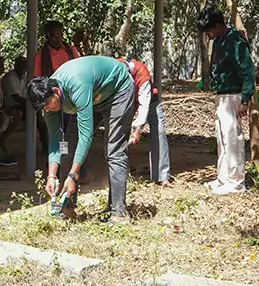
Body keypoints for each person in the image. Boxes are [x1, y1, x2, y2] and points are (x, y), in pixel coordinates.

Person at [26, 56, 135, 222]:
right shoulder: (47, 104)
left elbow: (86, 136)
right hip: (93, 96)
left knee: (114, 151)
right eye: (43, 109)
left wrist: (72, 175)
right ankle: (67, 208)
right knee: (67, 147)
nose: (47, 110)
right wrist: (51, 176)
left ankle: (118, 213)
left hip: (118, 90)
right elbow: (56, 140)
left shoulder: (77, 85)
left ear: (56, 92)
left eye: (48, 106)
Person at [196, 5, 255, 195]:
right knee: (222, 138)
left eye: (209, 30)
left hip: (233, 96)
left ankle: (236, 182)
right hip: (222, 96)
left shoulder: (235, 41)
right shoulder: (219, 39)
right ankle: (223, 178)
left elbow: (248, 72)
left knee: (232, 138)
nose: (207, 34)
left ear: (219, 24)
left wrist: (245, 100)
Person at [33, 21, 83, 171]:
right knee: (59, 135)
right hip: (53, 101)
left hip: (72, 99)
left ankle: (76, 167)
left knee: (74, 133)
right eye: (56, 35)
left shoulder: (70, 50)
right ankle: (59, 167)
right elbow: (37, 82)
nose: (60, 38)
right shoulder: (41, 56)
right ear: (48, 36)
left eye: (62, 35)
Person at [117, 57, 171, 186]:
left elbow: (144, 105)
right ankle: (121, 176)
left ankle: (163, 176)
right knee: (119, 133)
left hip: (150, 101)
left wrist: (137, 130)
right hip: (126, 100)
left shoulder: (142, 73)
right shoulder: (115, 67)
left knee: (159, 133)